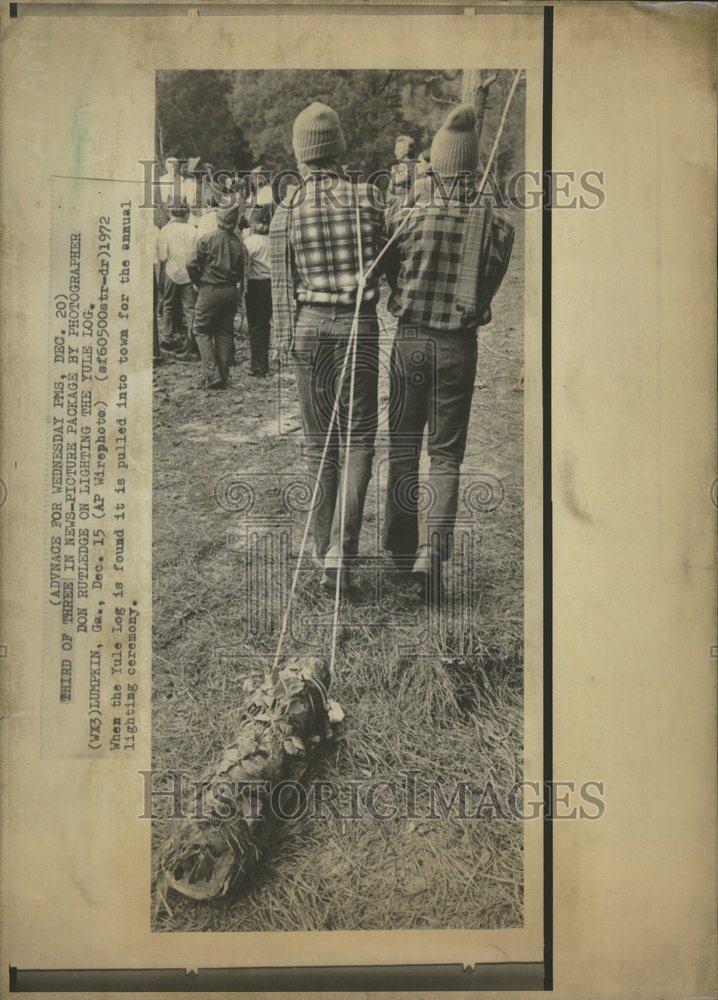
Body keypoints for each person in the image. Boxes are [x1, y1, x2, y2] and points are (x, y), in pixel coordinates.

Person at [383, 105, 514, 604]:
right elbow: (486, 294)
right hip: (459, 347)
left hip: (411, 341)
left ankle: (398, 553)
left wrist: (404, 294)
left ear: (435, 164)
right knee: (445, 456)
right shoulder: (495, 226)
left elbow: (390, 271)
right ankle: (429, 558)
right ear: (474, 167)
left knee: (401, 447)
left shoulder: (407, 216)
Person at [270, 101, 386, 593]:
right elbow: (384, 264)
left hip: (309, 327)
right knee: (358, 439)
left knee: (320, 444)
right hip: (358, 325)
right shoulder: (369, 197)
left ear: (300, 156)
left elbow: (281, 293)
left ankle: (321, 550)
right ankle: (343, 549)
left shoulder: (284, 212)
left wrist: (284, 345)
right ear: (339, 148)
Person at [186, 204, 248, 389]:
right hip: (230, 291)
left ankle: (212, 375)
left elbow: (191, 264)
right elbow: (242, 270)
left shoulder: (206, 239)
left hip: (209, 290)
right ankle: (223, 375)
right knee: (225, 332)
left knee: (201, 330)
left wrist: (197, 282)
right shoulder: (239, 243)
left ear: (218, 218)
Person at [157, 203, 198, 355]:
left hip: (171, 271)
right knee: (190, 307)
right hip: (188, 272)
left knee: (168, 304)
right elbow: (196, 254)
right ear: (186, 213)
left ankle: (168, 338)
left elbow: (162, 256)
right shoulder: (193, 230)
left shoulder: (166, 230)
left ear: (172, 213)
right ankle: (192, 339)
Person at [243, 198, 273, 376]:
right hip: (270, 284)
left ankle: (258, 365)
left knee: (255, 326)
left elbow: (245, 268)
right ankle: (264, 362)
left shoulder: (249, 242)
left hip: (255, 285)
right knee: (265, 324)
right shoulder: (272, 241)